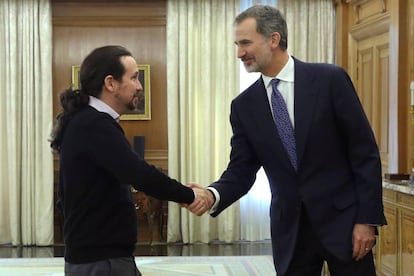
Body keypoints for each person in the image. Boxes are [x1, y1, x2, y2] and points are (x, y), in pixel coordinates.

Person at [186, 5, 387, 276]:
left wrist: (366, 220)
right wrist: (212, 195)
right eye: (237, 44)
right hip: (290, 232)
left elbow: (365, 155)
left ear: (274, 39)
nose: (239, 53)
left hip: (346, 225)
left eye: (245, 43)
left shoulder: (330, 80)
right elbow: (241, 170)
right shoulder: (244, 106)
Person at [50, 45, 210, 276]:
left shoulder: (87, 121)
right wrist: (190, 195)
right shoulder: (94, 124)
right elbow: (139, 174)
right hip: (102, 262)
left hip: (99, 257)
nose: (139, 86)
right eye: (134, 78)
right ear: (110, 83)